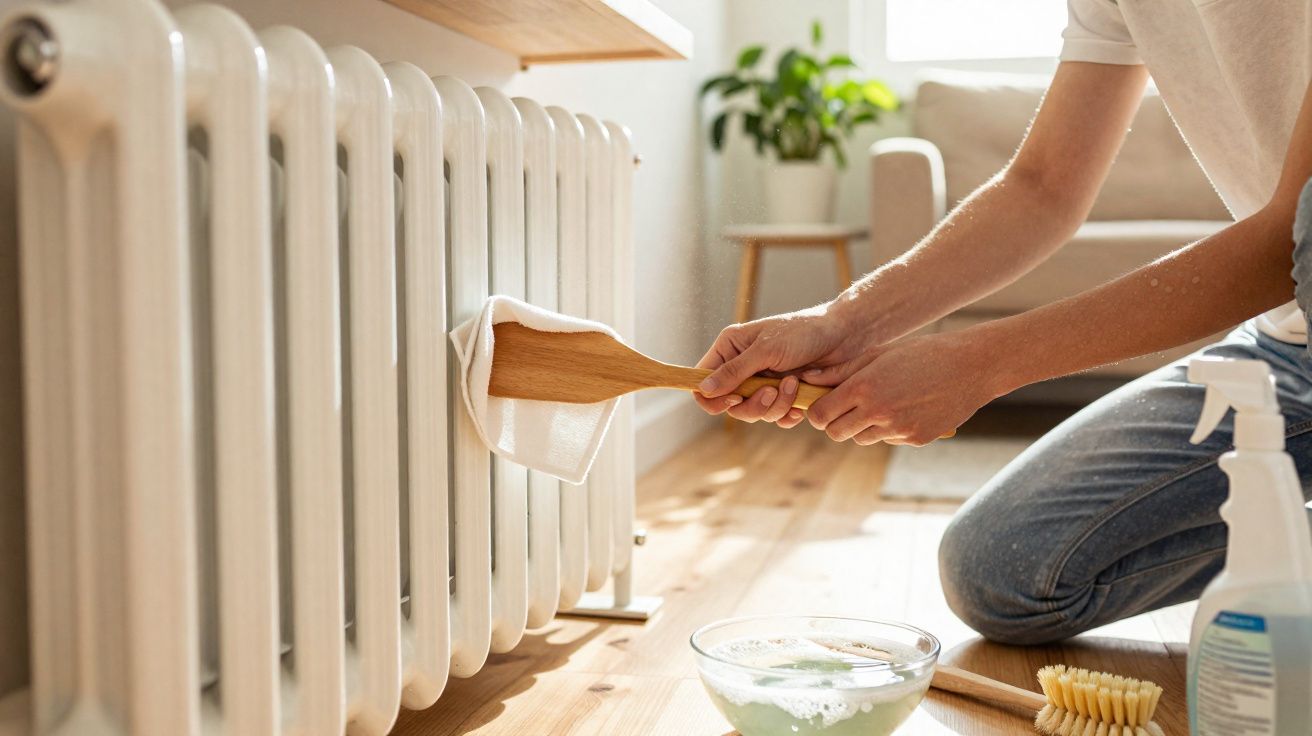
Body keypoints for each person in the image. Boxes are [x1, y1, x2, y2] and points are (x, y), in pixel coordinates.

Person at [694, 1, 1312, 645]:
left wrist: (976, 365)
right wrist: (841, 321)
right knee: (1001, 571)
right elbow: (1043, 185)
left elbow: (1290, 240)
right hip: (1287, 352)